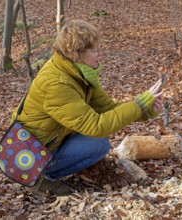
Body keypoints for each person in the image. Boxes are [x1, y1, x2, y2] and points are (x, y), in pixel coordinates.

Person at [10, 19, 163, 196]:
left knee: (98, 142)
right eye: (95, 50)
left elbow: (107, 108)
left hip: (51, 142)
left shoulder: (79, 73)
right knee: (99, 144)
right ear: (77, 54)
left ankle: (48, 169)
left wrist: (145, 110)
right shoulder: (56, 84)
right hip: (31, 154)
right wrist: (138, 105)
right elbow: (97, 126)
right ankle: (40, 177)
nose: (100, 54)